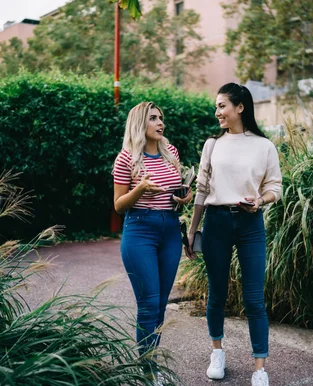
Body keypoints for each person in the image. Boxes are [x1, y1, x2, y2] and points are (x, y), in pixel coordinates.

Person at [185, 83, 282, 386]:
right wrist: (192, 230)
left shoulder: (264, 145)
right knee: (217, 294)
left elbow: (274, 187)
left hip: (251, 223)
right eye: (216, 107)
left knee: (254, 299)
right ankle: (217, 352)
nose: (217, 112)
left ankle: (260, 368)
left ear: (240, 107)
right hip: (216, 222)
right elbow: (201, 189)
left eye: (222, 106)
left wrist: (261, 200)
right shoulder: (212, 144)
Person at [112, 102, 192, 382]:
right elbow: (119, 205)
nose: (161, 123)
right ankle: (147, 374)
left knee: (160, 305)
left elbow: (178, 191)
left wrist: (184, 196)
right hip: (140, 232)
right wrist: (140, 189)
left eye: (161, 118)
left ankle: (151, 366)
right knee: (148, 303)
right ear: (139, 125)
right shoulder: (126, 159)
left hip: (169, 229)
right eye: (153, 118)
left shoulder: (171, 154)